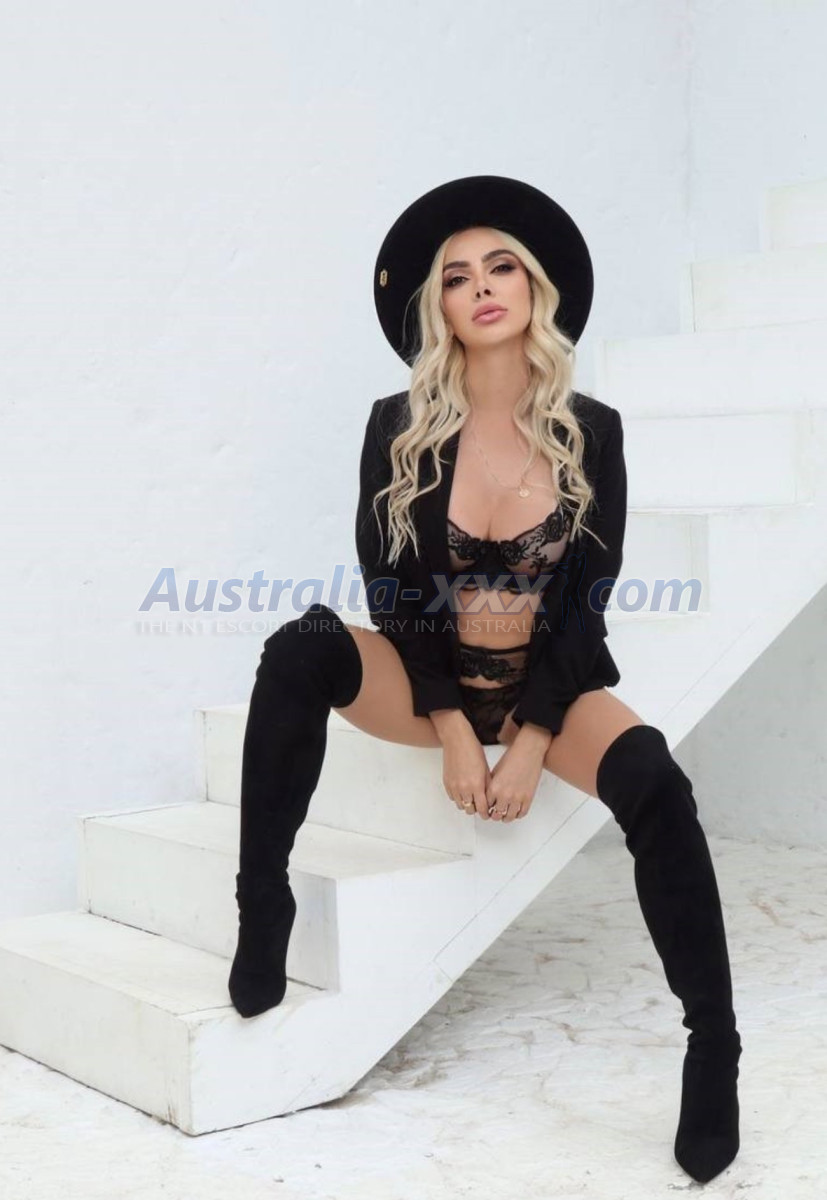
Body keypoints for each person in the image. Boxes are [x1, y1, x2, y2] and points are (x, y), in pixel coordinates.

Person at [227, 175, 742, 1185]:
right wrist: (456, 730)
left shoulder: (592, 428)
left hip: (546, 681)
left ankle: (713, 1047)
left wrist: (534, 737)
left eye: (500, 266)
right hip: (428, 682)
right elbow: (389, 591)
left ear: (533, 288)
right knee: (299, 647)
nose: (482, 287)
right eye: (457, 277)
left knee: (655, 783)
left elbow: (585, 602)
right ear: (441, 309)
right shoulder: (395, 423)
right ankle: (262, 901)